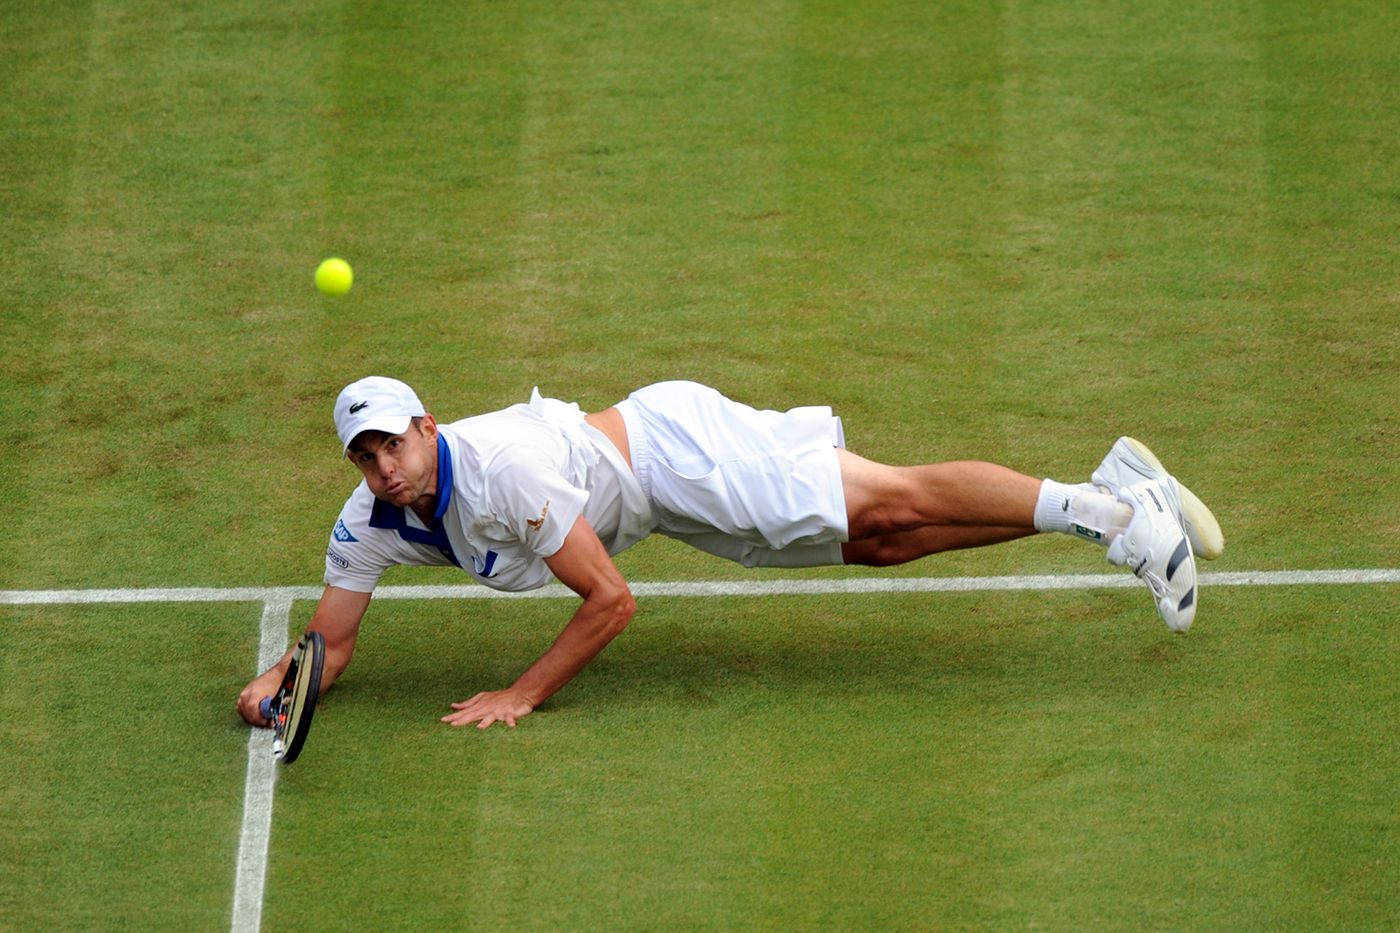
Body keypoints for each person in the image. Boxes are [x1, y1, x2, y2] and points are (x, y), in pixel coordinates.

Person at [237, 377, 1223, 730]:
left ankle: (1115, 516)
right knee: (877, 540)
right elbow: (336, 642)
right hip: (671, 500)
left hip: (681, 457)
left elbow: (611, 603)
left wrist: (520, 693)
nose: (382, 467)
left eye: (393, 443)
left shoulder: (501, 476)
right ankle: (1107, 494)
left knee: (893, 495)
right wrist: (284, 680)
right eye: (363, 456)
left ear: (427, 427)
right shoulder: (367, 519)